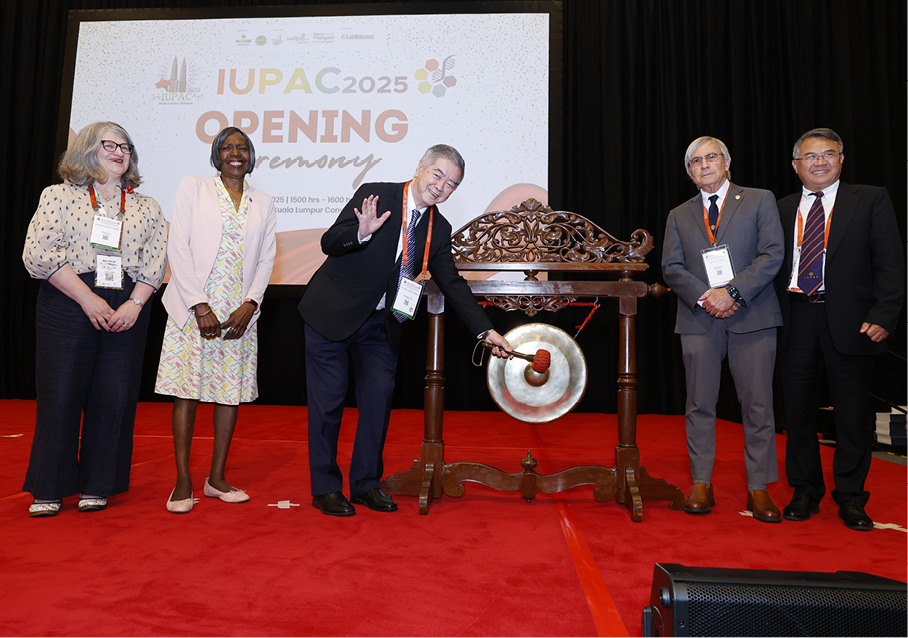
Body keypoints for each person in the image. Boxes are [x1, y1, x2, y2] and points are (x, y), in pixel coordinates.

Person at [298, 144, 512, 517]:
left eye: (452, 184)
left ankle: (365, 485)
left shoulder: (438, 228)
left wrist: (485, 331)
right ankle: (326, 489)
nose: (442, 187)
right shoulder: (375, 194)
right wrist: (361, 233)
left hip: (382, 326)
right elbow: (328, 242)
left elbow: (453, 284)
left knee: (378, 406)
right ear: (420, 169)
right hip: (332, 316)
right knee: (328, 406)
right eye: (439, 175)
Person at [21, 121, 167, 517]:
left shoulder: (146, 205)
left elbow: (155, 263)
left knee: (114, 397)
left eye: (126, 147)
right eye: (110, 144)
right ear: (87, 148)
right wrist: (87, 299)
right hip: (68, 299)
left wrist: (134, 305)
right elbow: (38, 255)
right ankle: (49, 488)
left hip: (127, 303)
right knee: (61, 393)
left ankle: (98, 484)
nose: (120, 152)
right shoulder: (58, 195)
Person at [774, 128, 904, 531]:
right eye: (810, 156)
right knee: (796, 411)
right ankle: (804, 491)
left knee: (851, 412)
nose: (819, 162)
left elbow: (891, 262)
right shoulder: (778, 208)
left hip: (853, 320)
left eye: (828, 154)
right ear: (796, 166)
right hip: (794, 317)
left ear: (842, 159)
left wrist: (884, 315)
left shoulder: (870, 198)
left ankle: (850, 497)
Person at [662, 135, 785, 523]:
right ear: (689, 172)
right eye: (695, 161)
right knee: (699, 404)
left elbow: (772, 254)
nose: (704, 165)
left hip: (753, 317)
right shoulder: (679, 214)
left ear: (727, 162)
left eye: (710, 157)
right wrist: (706, 297)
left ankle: (759, 488)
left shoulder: (759, 199)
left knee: (758, 405)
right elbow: (671, 268)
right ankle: (701, 482)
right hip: (699, 319)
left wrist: (732, 292)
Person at [155, 127, 277, 514]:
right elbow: (179, 247)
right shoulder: (194, 187)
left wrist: (251, 304)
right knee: (187, 391)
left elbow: (266, 258)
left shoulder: (264, 201)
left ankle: (217, 478)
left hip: (238, 313)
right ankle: (183, 481)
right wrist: (199, 306)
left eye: (243, 148)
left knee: (229, 393)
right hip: (193, 310)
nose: (235, 153)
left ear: (251, 157)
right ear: (217, 155)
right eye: (228, 147)